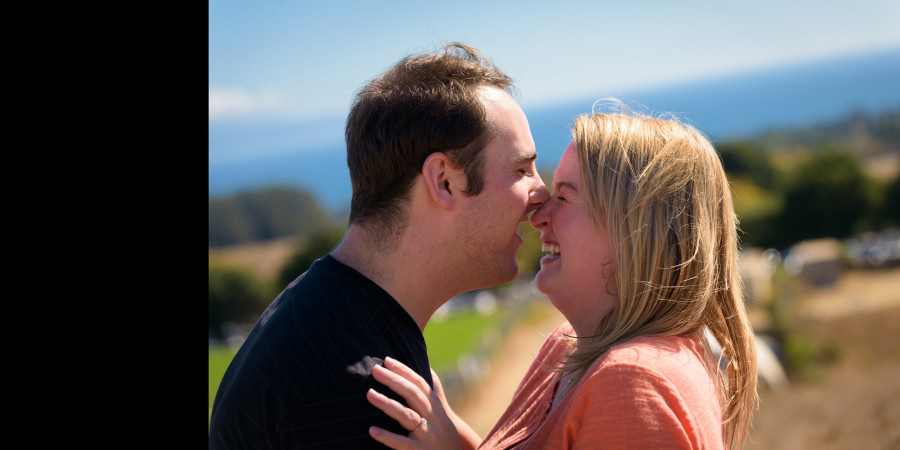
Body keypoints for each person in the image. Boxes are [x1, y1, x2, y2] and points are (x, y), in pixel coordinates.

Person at [208, 42, 550, 449]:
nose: (541, 193)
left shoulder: (327, 311)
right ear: (444, 181)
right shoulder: (362, 402)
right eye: (521, 169)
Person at [366, 101, 759, 449]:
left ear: (634, 232)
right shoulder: (568, 346)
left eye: (565, 197)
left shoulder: (632, 386)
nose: (538, 217)